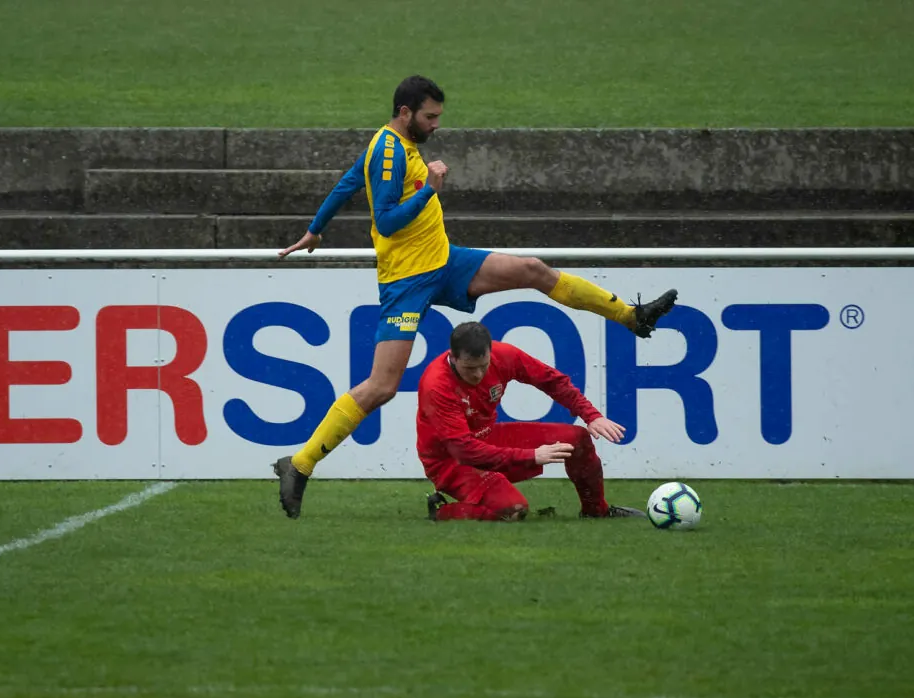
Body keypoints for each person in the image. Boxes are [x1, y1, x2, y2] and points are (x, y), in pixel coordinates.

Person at [273, 74, 676, 519]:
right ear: (405, 112)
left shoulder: (395, 145)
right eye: (430, 116)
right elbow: (385, 222)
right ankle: (301, 463)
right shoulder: (389, 150)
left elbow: (349, 183)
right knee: (382, 386)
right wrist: (430, 189)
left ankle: (632, 317)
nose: (436, 124)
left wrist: (316, 229)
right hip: (407, 281)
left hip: (444, 262)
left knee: (532, 269)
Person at [418, 322, 643, 521]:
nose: (478, 374)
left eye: (483, 366)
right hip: (450, 461)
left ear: (490, 353)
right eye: (469, 368)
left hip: (486, 439)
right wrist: (532, 455)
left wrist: (591, 415)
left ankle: (596, 512)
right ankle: (441, 511)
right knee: (512, 510)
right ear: (453, 357)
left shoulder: (503, 355)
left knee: (577, 439)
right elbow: (464, 451)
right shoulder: (437, 386)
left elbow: (551, 380)